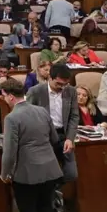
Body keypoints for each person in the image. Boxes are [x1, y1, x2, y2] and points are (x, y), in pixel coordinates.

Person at [0, 78, 62, 212]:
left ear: (11, 97)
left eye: (4, 95)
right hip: (50, 168)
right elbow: (55, 139)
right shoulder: (42, 111)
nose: (4, 99)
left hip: (27, 172)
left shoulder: (12, 118)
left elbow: (10, 152)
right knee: (46, 208)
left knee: (28, 210)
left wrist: (5, 174)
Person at [26, 63, 79, 192]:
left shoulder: (71, 91)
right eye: (58, 84)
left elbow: (74, 117)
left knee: (72, 173)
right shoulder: (36, 91)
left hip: (63, 136)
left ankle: (52, 191)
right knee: (45, 174)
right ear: (50, 77)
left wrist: (70, 138)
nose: (62, 87)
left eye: (65, 84)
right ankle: (49, 199)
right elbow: (26, 115)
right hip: (43, 137)